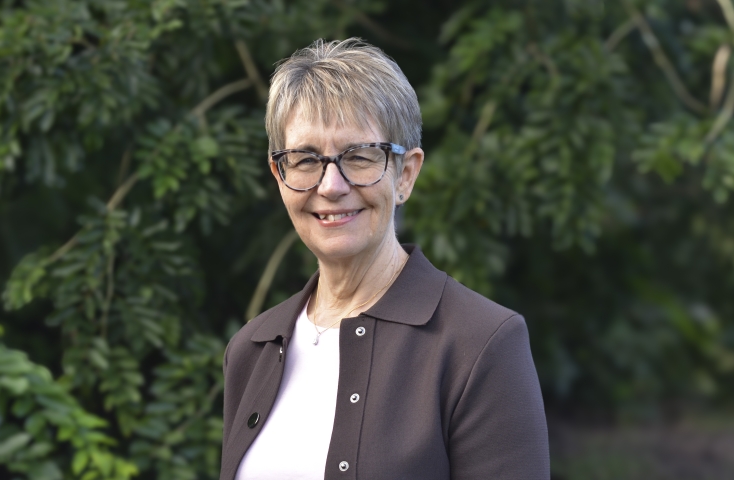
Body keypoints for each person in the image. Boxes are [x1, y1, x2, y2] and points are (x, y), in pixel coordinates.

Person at [219, 38, 549, 480]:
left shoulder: (481, 344)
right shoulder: (250, 350)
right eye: (305, 159)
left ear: (406, 174)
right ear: (279, 174)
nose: (331, 185)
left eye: (358, 156)